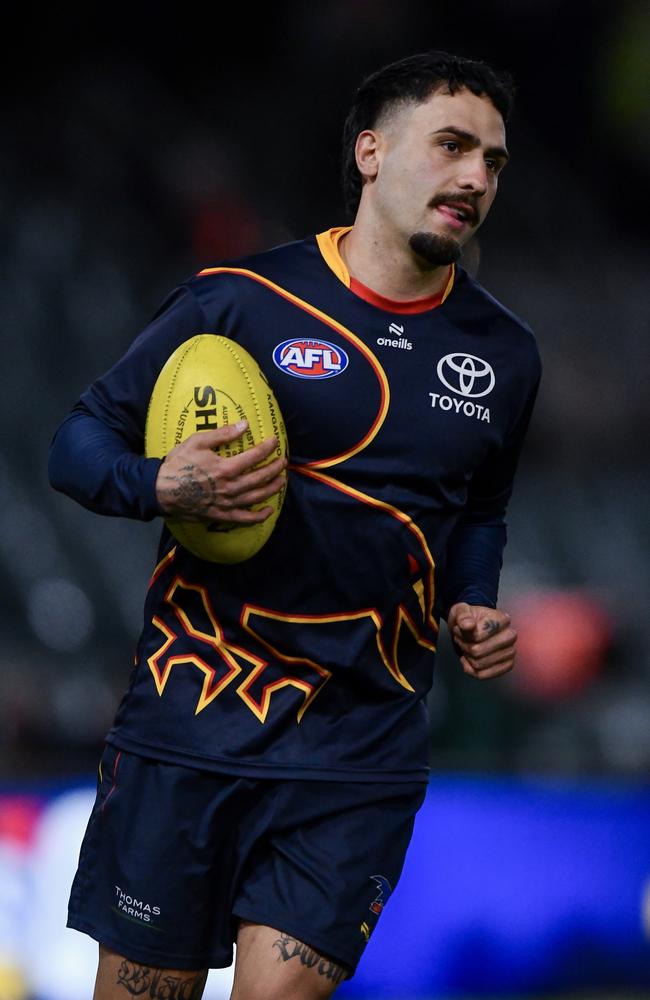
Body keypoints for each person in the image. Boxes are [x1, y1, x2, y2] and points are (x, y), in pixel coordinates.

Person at [48, 49, 541, 1000]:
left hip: (360, 749)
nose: (476, 177)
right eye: (451, 146)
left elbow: (482, 506)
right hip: (190, 725)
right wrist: (162, 483)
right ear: (370, 151)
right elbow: (75, 442)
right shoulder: (236, 301)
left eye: (494, 160)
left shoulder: (506, 355)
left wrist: (473, 601)